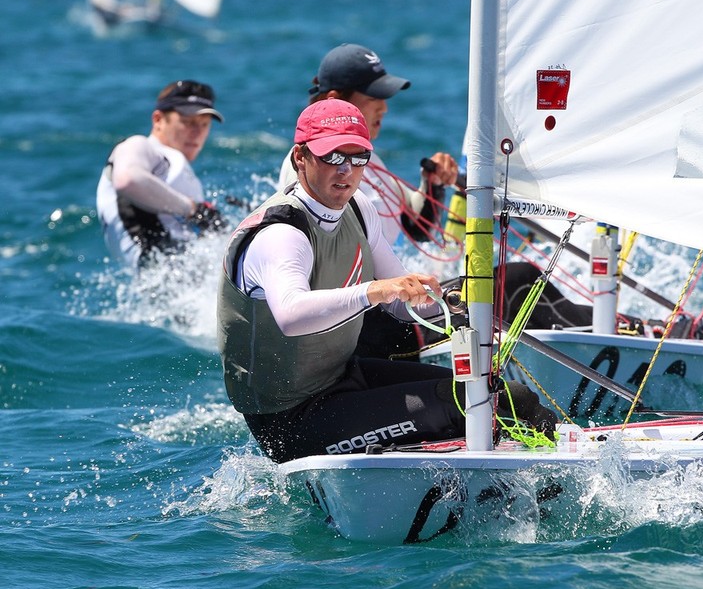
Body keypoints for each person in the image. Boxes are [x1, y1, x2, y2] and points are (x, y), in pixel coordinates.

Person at [218, 99, 555, 463]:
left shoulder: (358, 209)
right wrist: (373, 291)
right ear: (300, 157)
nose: (346, 170)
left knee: (501, 394)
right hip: (290, 420)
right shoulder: (282, 234)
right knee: (483, 405)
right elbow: (291, 315)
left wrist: (452, 303)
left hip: (343, 379)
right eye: (332, 157)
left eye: (358, 157)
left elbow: (400, 302)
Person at [277, 43, 459, 245]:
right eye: (374, 97)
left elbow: (418, 227)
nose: (384, 108)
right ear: (334, 100)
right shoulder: (308, 165)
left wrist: (432, 184)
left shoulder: (371, 161)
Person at [96, 79, 227, 268]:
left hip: (174, 279)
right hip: (164, 272)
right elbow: (127, 180)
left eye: (204, 124)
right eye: (188, 122)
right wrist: (193, 210)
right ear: (158, 120)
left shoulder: (171, 166)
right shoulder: (139, 146)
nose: (197, 133)